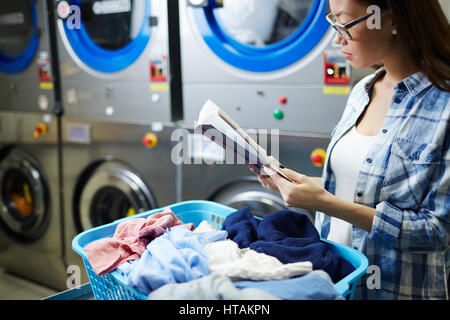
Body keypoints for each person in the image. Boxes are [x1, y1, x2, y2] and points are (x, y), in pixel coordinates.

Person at [250, 0, 450, 300]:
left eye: (344, 23)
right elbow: (354, 188)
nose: (337, 38)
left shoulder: (444, 106)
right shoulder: (362, 91)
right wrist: (296, 184)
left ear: (390, 18)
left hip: (397, 290)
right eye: (333, 22)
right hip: (339, 280)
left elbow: (437, 231)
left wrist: (327, 204)